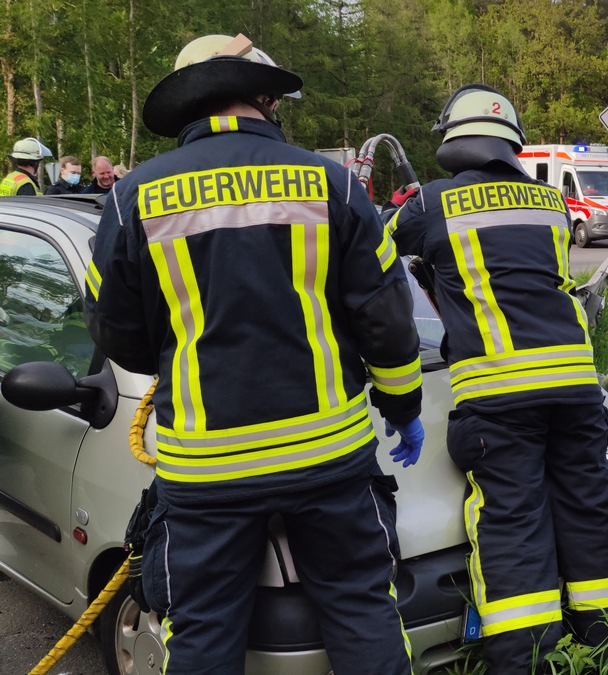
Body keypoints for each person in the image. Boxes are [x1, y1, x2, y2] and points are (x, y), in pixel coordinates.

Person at [85, 33, 426, 674]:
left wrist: (176, 351)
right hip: (327, 455)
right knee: (362, 612)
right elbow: (387, 319)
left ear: (188, 105)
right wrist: (403, 403)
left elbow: (111, 329)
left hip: (206, 468)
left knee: (204, 636)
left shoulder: (134, 198)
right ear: (266, 97)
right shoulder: (334, 185)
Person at [386, 83, 608, 674]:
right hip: (574, 382)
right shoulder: (551, 201)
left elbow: (380, 253)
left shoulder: (431, 203)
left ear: (453, 144)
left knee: (513, 523)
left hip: (499, 392)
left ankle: (529, 662)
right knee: (586, 508)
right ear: (511, 144)